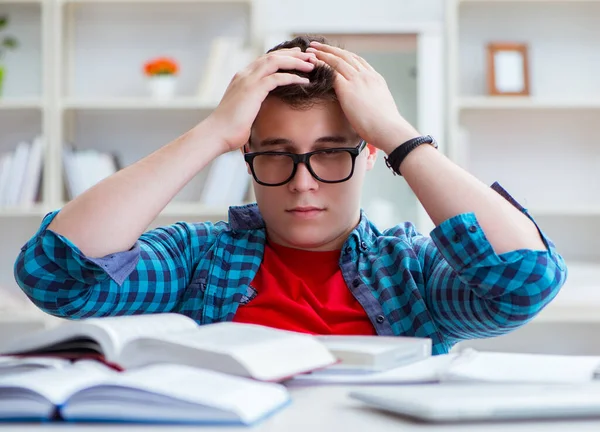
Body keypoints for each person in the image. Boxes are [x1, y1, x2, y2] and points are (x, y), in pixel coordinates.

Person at [14, 36, 566, 355]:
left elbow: (524, 285)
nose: (303, 181)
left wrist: (400, 136)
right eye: (275, 153)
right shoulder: (195, 260)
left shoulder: (413, 271)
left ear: (370, 155)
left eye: (331, 152)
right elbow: (56, 278)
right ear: (247, 156)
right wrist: (212, 133)